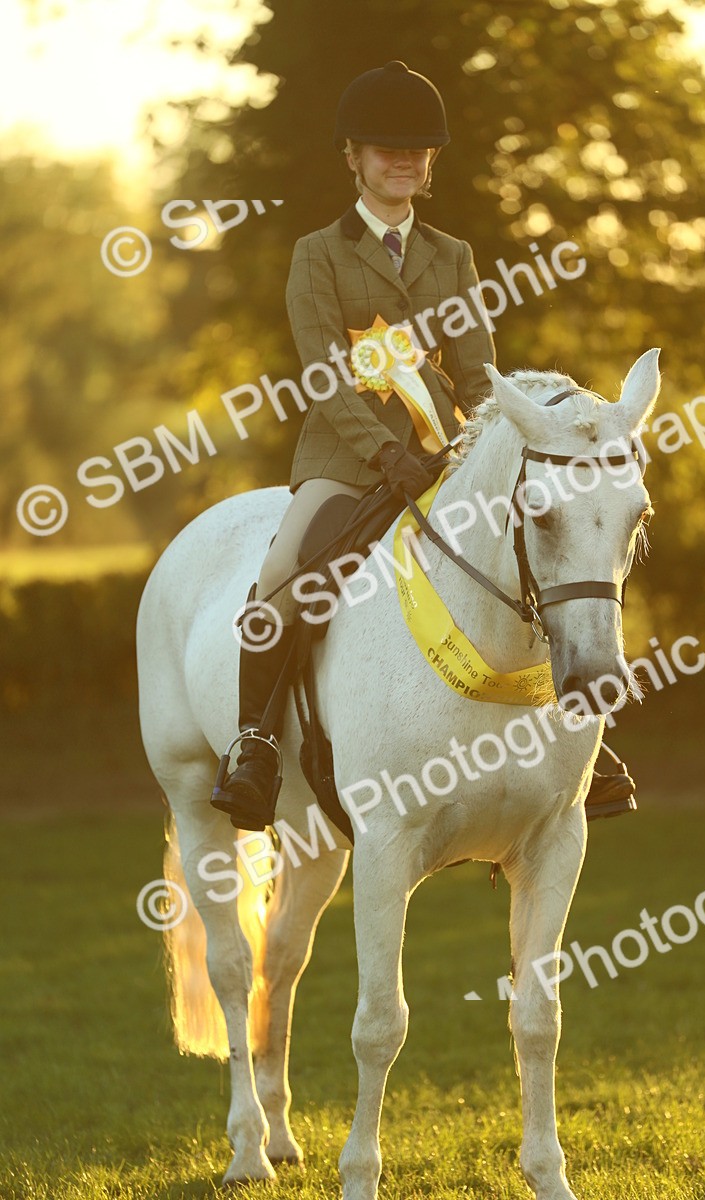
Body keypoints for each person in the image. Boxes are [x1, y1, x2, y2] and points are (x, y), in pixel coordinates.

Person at [211, 60, 636, 833]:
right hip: (348, 461)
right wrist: (383, 454)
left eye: (416, 150)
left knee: (533, 553)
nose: (403, 162)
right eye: (386, 149)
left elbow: (477, 375)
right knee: (282, 576)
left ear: (431, 160)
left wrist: (484, 447)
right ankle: (256, 744)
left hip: (447, 456)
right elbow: (324, 376)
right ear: (353, 156)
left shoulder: (453, 255)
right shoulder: (319, 254)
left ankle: (583, 745)